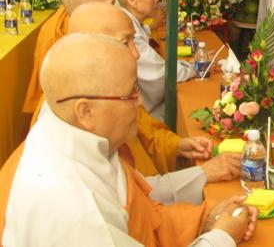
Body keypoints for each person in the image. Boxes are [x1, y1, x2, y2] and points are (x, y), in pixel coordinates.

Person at [1, 34, 257, 246]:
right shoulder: (75, 210)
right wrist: (221, 237)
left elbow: (143, 212)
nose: (142, 102)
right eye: (131, 94)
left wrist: (205, 219)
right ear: (86, 111)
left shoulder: (70, 136)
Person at [32, 1, 240, 180]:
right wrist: (202, 174)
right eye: (125, 42)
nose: (136, 53)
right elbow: (135, 197)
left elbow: (146, 136)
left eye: (134, 41)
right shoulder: (75, 114)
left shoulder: (109, 87)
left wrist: (177, 145)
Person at [22, 0, 114, 114]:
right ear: (86, 8)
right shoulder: (58, 38)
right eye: (111, 4)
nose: (115, 9)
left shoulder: (91, 26)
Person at [115, 0, 196, 120]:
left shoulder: (130, 21)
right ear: (132, 0)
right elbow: (163, 74)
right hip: (142, 113)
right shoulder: (127, 33)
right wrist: (196, 67)